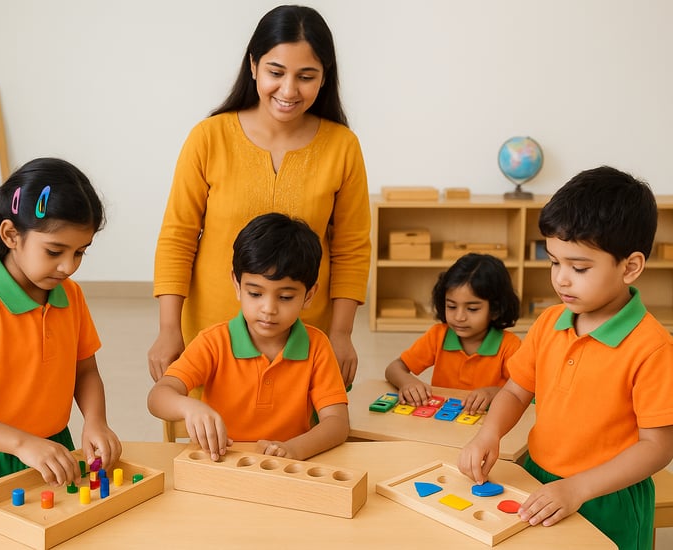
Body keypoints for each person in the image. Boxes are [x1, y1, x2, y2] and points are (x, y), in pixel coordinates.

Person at [148, 5, 370, 388]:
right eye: (276, 72)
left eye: (306, 76)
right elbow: (178, 237)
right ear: (253, 66)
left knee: (295, 441)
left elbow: (351, 247)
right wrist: (169, 328)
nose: (288, 90)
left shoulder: (343, 146)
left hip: (302, 336)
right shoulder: (208, 138)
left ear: (324, 77)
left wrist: (342, 333)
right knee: (213, 443)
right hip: (212, 331)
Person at [458, 166, 673, 549]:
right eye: (554, 261)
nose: (561, 279)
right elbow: (514, 391)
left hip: (607, 498)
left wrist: (578, 489)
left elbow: (657, 447)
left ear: (631, 267)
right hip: (537, 477)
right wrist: (488, 433)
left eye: (579, 267)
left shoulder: (653, 348)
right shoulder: (549, 322)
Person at [0, 157, 122, 499]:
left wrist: (95, 419)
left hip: (50, 451)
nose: (68, 266)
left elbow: (85, 371)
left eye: (80, 252)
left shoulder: (71, 297)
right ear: (11, 235)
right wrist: (22, 443)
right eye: (54, 251)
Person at [147, 213, 350, 461]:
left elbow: (337, 423)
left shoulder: (317, 346)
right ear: (237, 284)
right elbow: (158, 396)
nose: (269, 308)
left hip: (285, 467)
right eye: (255, 293)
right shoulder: (213, 342)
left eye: (285, 297)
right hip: (219, 463)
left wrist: (295, 449)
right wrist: (189, 406)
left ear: (309, 295)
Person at [384, 253, 521, 415]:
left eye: (472, 309)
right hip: (442, 422)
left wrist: (492, 393)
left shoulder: (510, 346)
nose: (459, 317)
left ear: (496, 310)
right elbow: (394, 368)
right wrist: (408, 382)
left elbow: (528, 390)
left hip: (486, 424)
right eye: (451, 306)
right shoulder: (438, 335)